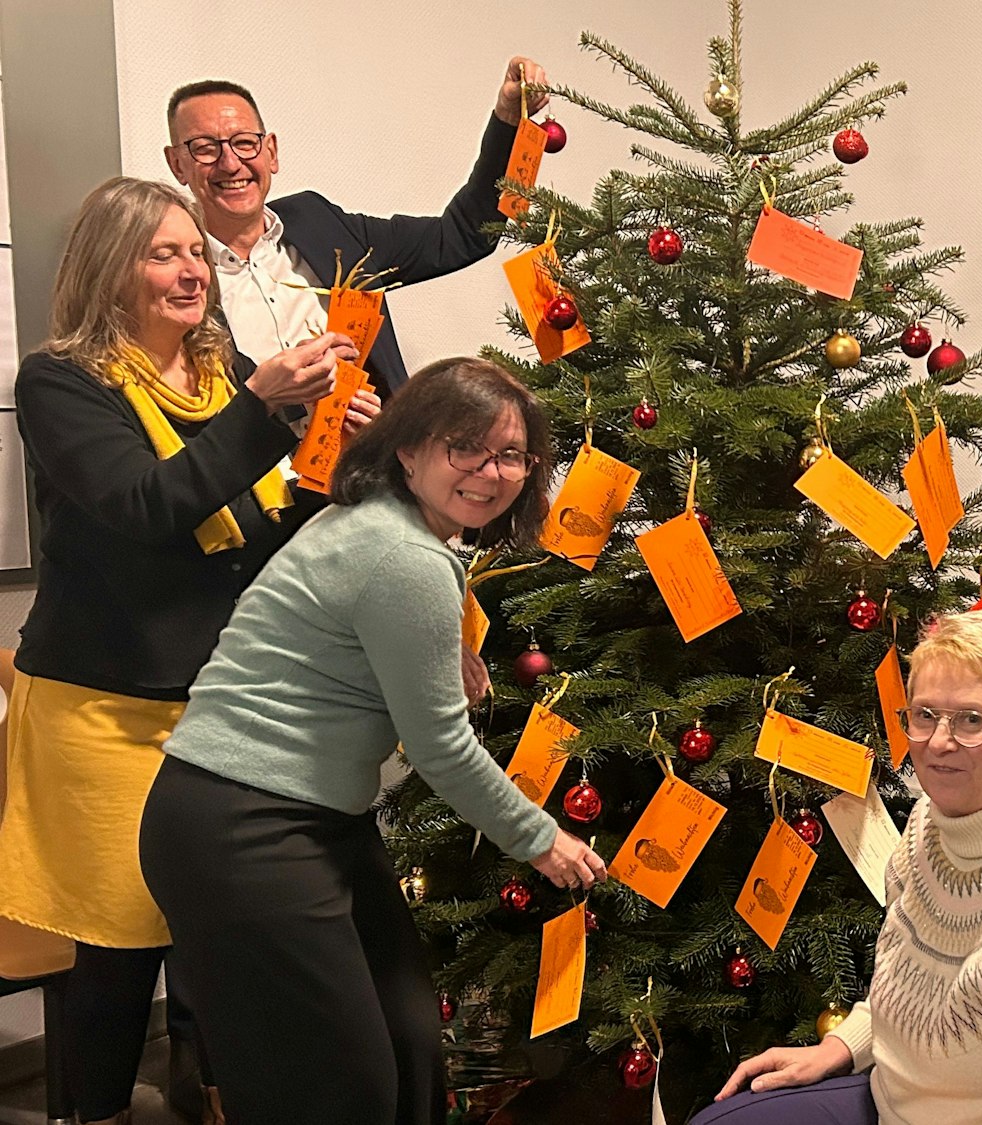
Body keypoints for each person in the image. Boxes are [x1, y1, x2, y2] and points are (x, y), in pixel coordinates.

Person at [137, 357, 604, 1125]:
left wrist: (446, 653)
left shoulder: (387, 522)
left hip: (316, 821)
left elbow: (357, 637)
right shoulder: (405, 553)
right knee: (336, 1089)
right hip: (243, 828)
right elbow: (440, 746)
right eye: (466, 447)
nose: (490, 472)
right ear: (408, 448)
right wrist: (541, 839)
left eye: (512, 454)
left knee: (408, 1042)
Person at [0, 176, 357, 1125]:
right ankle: (98, 1113)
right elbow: (147, 507)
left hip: (221, 705)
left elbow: (258, 539)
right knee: (119, 944)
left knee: (224, 932)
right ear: (110, 268)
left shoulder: (221, 375)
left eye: (196, 250)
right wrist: (264, 410)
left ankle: (224, 1103)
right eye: (164, 252)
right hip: (104, 707)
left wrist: (331, 458)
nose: (193, 268)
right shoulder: (61, 382)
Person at [695, 611, 982, 1125]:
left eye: (972, 720)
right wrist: (841, 1045)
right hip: (892, 1101)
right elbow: (904, 983)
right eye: (925, 715)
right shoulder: (929, 823)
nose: (939, 742)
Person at [163, 56, 550, 397]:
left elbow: (459, 236)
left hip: (374, 454)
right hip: (260, 460)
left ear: (271, 152)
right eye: (205, 148)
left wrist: (507, 121)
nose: (231, 163)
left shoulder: (321, 225)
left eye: (245, 143)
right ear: (177, 164)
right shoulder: (172, 279)